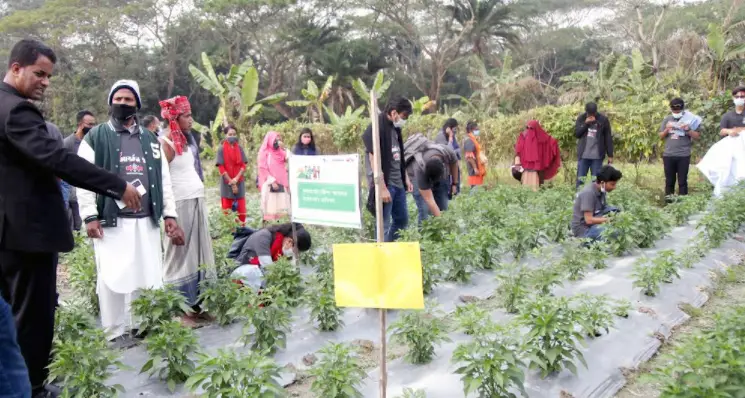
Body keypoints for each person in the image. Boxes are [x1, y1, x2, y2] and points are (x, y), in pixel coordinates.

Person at [0, 39, 140, 398]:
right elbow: (58, 159)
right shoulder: (16, 111)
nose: (45, 82)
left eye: (49, 76)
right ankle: (32, 388)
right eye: (39, 74)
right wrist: (117, 185)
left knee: (10, 314)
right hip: (27, 233)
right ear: (16, 68)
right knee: (32, 316)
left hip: (8, 232)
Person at [77, 80, 181, 344]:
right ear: (111, 102)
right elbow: (82, 177)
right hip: (112, 220)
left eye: (128, 100)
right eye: (118, 99)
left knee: (145, 273)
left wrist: (170, 214)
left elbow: (164, 178)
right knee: (112, 276)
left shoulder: (151, 139)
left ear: (137, 104)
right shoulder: (96, 137)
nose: (122, 104)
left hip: (146, 218)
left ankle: (142, 324)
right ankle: (114, 331)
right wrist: (89, 215)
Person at [159, 95, 215, 327]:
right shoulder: (165, 144)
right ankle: (177, 310)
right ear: (174, 117)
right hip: (179, 205)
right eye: (186, 115)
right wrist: (169, 215)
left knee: (197, 257)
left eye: (191, 115)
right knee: (179, 258)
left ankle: (196, 307)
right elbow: (162, 181)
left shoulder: (185, 140)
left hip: (195, 200)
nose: (191, 119)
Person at [362, 97, 413, 242]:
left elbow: (399, 155)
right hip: (387, 184)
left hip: (398, 183)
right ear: (394, 112)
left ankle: (390, 248)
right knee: (383, 224)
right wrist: (382, 187)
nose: (405, 120)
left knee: (402, 221)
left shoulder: (395, 128)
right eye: (404, 116)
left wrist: (406, 177)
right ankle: (381, 256)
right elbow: (373, 159)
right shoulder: (377, 127)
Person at [231, 223, 312, 290]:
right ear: (289, 241)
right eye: (296, 251)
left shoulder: (281, 248)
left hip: (257, 278)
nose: (295, 254)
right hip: (241, 275)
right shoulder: (264, 237)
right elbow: (269, 269)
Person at [697, 86, 745, 197]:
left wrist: (739, 130)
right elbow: (722, 131)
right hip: (731, 151)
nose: (740, 98)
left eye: (742, 96)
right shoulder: (727, 116)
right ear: (733, 98)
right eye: (737, 96)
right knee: (728, 173)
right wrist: (730, 131)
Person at [404, 134, 460, 224]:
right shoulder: (420, 169)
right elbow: (429, 200)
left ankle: (438, 228)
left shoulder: (447, 151)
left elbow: (454, 163)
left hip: (437, 171)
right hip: (415, 175)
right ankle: (424, 235)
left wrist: (454, 183)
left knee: (443, 205)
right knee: (425, 210)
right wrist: (443, 225)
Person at [658, 98, 702, 198]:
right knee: (669, 181)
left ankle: (683, 204)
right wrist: (667, 129)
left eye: (678, 110)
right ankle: (669, 204)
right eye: (674, 110)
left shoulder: (690, 119)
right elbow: (660, 136)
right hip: (668, 155)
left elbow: (697, 136)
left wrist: (687, 129)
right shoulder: (667, 119)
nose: (676, 112)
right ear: (671, 109)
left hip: (684, 155)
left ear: (682, 109)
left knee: (682, 181)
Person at [63, 110, 96, 231]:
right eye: (89, 124)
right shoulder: (67, 143)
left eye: (94, 124)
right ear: (80, 124)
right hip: (70, 190)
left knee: (82, 224)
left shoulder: (92, 143)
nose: (92, 127)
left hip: (87, 189)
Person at [571, 165, 623, 242]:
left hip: (593, 220)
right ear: (602, 183)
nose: (614, 187)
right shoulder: (588, 193)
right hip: (584, 230)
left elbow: (603, 208)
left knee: (616, 211)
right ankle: (582, 240)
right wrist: (610, 220)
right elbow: (588, 220)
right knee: (613, 233)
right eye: (612, 184)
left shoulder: (601, 190)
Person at [574, 102, 614, 189]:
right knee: (580, 181)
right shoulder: (581, 118)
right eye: (589, 114)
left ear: (596, 111)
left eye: (594, 114)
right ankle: (578, 200)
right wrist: (586, 124)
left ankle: (597, 201)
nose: (592, 115)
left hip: (597, 157)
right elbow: (577, 134)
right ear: (586, 112)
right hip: (583, 156)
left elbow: (608, 138)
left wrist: (610, 155)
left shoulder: (603, 120)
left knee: (597, 183)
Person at [513, 120, 561, 191]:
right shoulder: (524, 137)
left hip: (535, 170)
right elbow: (518, 150)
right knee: (529, 187)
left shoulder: (537, 137)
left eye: (531, 128)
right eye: (528, 128)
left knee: (533, 187)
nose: (529, 130)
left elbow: (550, 142)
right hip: (528, 169)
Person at [216, 125, 248, 223]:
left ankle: (242, 231)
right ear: (225, 135)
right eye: (230, 134)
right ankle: (230, 233)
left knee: (241, 211)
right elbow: (220, 166)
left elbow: (244, 165)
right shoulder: (221, 149)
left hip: (239, 182)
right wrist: (231, 181)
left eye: (234, 134)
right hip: (226, 183)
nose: (232, 136)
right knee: (227, 210)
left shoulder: (240, 148)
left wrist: (236, 179)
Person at [258, 131, 291, 222]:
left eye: (279, 140)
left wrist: (284, 147)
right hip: (270, 185)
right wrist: (272, 181)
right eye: (275, 140)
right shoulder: (264, 152)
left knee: (282, 212)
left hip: (282, 184)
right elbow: (262, 168)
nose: (277, 142)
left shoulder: (281, 151)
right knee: (271, 211)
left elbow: (290, 158)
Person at [434, 118, 461, 196]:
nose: (455, 130)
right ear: (449, 127)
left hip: (453, 165)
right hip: (445, 167)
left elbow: (456, 151)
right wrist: (450, 138)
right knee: (447, 190)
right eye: (454, 128)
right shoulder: (441, 136)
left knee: (455, 188)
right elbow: (448, 152)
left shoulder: (452, 136)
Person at [463, 121, 487, 192]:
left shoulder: (473, 139)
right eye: (476, 129)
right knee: (474, 190)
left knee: (477, 189)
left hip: (477, 169)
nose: (478, 131)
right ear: (471, 130)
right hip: (474, 170)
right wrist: (475, 168)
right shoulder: (469, 140)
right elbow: (469, 157)